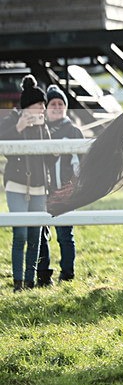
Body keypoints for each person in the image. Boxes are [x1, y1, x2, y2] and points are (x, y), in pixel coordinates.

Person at [0, 75, 50, 291]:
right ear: (28, 105)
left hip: (39, 186)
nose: (42, 109)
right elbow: (3, 146)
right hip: (16, 185)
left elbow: (51, 156)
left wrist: (44, 130)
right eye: (39, 105)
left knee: (35, 235)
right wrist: (19, 128)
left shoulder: (43, 125)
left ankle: (29, 281)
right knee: (20, 234)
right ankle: (17, 281)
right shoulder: (11, 121)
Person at [37, 84, 83, 284]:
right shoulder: (39, 130)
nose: (56, 107)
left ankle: (67, 273)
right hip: (42, 190)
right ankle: (43, 274)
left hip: (64, 191)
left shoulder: (73, 131)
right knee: (40, 235)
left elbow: (83, 162)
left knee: (65, 235)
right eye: (52, 103)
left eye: (60, 103)